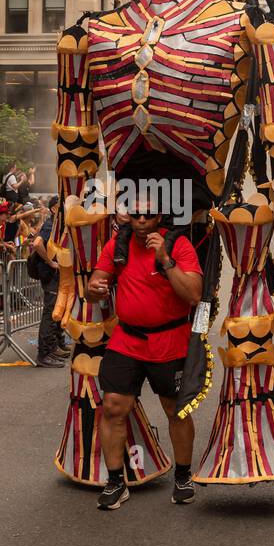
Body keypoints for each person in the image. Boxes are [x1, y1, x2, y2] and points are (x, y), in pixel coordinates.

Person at [86, 202, 203, 510]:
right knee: (112, 406)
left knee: (174, 409)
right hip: (127, 339)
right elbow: (94, 284)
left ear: (158, 217)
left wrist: (164, 259)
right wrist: (94, 289)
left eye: (147, 215)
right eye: (135, 214)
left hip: (169, 340)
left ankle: (183, 476)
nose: (140, 221)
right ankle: (115, 481)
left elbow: (193, 294)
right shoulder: (117, 244)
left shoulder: (178, 243)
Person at [29, 197, 69, 367]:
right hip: (50, 273)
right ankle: (44, 354)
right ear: (54, 209)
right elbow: (37, 243)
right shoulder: (51, 224)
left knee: (55, 312)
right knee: (50, 312)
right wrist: (50, 262)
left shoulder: (58, 224)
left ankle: (51, 349)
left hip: (55, 274)